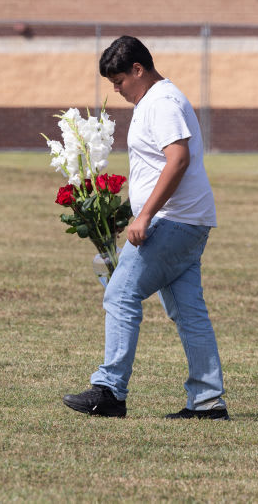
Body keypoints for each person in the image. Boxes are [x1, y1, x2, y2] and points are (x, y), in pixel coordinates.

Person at [62, 35, 228, 421]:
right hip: (189, 220)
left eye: (119, 81)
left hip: (172, 220)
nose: (117, 90)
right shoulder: (156, 101)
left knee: (120, 294)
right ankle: (207, 401)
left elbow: (178, 159)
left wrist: (145, 215)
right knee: (189, 313)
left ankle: (110, 391)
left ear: (139, 69)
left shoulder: (162, 102)